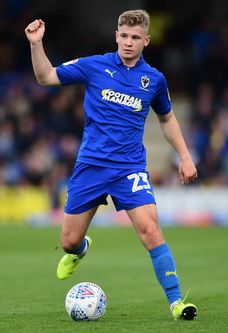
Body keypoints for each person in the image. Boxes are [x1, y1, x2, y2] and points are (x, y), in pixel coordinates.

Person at [25, 9, 198, 320]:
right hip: (91, 165)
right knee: (68, 241)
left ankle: (176, 303)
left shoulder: (154, 80)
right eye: (124, 36)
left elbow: (167, 118)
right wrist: (36, 44)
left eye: (135, 38)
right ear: (116, 36)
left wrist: (184, 156)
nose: (128, 43)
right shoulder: (94, 66)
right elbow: (46, 77)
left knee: (151, 230)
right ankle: (79, 251)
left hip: (129, 168)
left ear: (146, 41)